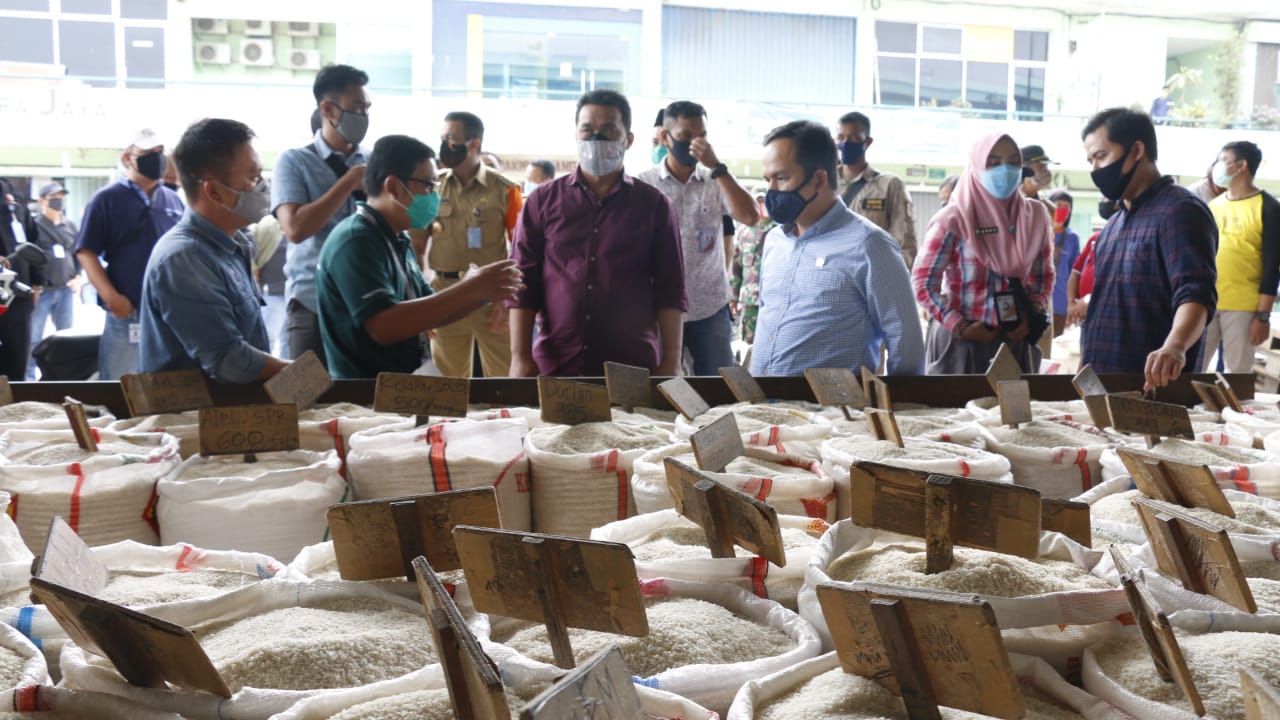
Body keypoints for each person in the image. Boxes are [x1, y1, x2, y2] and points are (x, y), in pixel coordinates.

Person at [508, 89, 686, 377]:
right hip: (557, 362)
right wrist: (519, 357)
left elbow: (671, 287)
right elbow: (523, 282)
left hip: (631, 363)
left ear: (628, 140)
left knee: (634, 424)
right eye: (587, 130)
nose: (596, 139)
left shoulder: (654, 205)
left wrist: (672, 361)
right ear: (576, 136)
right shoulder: (542, 201)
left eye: (608, 130)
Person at [316, 135, 522, 379]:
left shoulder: (395, 238)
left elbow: (432, 313)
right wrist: (470, 288)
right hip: (367, 394)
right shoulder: (356, 241)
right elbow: (385, 326)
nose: (434, 196)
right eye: (428, 186)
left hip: (402, 383)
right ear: (393, 187)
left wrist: (483, 292)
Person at [750, 120, 923, 376]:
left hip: (832, 413)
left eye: (782, 178)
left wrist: (900, 406)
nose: (771, 192)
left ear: (818, 180)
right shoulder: (775, 240)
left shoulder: (870, 245)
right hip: (762, 405)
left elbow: (906, 346)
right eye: (768, 180)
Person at [139, 118, 285, 383]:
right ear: (215, 192)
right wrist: (304, 373)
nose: (263, 187)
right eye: (252, 178)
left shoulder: (235, 244)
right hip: (192, 420)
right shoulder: (184, 259)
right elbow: (230, 362)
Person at [1080, 107, 1217, 389]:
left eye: (1101, 156)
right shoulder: (1113, 225)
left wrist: (1175, 346)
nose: (1095, 170)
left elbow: (1196, 293)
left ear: (1137, 150)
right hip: (1101, 381)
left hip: (1153, 388)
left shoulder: (1180, 211)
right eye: (1091, 160)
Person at [912, 133, 1053, 374]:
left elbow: (1043, 278)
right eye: (994, 163)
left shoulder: (1035, 216)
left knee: (1012, 411)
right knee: (955, 411)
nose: (1004, 170)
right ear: (976, 167)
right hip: (960, 341)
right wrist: (960, 325)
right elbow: (923, 283)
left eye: (1012, 162)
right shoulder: (953, 219)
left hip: (1014, 340)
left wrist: (1033, 313)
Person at [638, 100, 758, 376]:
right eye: (686, 136)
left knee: (719, 388)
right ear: (665, 138)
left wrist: (718, 167)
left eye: (701, 135)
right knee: (659, 387)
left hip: (709, 307)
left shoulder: (716, 181)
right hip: (657, 309)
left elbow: (750, 216)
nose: (695, 143)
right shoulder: (644, 184)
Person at [272, 64, 372, 365]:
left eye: (367, 108)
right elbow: (295, 228)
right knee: (306, 398)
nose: (364, 116)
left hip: (366, 303)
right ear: (328, 109)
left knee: (365, 400)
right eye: (357, 108)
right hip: (311, 304)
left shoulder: (374, 161)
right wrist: (348, 183)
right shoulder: (294, 162)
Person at [75, 128, 184, 380]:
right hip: (128, 310)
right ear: (128, 158)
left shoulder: (173, 201)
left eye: (160, 153)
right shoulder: (106, 199)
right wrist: (111, 297)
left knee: (167, 382)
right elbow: (86, 251)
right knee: (119, 383)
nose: (156, 158)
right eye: (148, 153)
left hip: (168, 310)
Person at [427, 111, 523, 378]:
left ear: (474, 144)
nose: (445, 144)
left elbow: (522, 249)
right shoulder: (431, 187)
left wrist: (510, 300)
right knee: (448, 385)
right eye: (443, 138)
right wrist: (421, 301)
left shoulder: (506, 189)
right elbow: (416, 245)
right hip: (444, 294)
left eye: (451, 138)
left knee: (505, 381)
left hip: (492, 296)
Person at [1202, 141, 1280, 373]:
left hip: (1244, 307)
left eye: (1223, 160)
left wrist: (1263, 317)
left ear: (1241, 166)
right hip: (1207, 302)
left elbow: (1272, 267)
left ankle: (1233, 412)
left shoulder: (1268, 208)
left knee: (1236, 375)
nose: (1217, 167)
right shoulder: (1213, 206)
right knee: (1191, 369)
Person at [835, 111, 917, 267]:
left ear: (867, 142)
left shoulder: (889, 185)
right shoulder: (824, 184)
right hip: (831, 272)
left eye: (854, 138)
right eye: (841, 138)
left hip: (872, 274)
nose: (846, 143)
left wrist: (903, 281)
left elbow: (904, 240)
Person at [28, 182, 82, 379]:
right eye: (53, 198)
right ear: (42, 201)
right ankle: (28, 378)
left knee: (66, 336)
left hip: (66, 289)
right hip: (42, 290)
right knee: (33, 337)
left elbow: (78, 253)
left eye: (61, 197)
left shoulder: (70, 225)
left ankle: (64, 377)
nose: (58, 201)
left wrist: (78, 277)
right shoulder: (34, 225)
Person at [0, 180, 43, 381]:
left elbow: (32, 240)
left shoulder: (10, 190)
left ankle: (11, 411)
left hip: (16, 293)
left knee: (16, 362)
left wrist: (36, 283)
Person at [1065, 198, 1120, 333]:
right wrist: (1072, 303)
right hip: (1084, 318)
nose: (1104, 201)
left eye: (1107, 198)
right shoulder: (1095, 238)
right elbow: (1076, 272)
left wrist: (1091, 300)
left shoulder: (1125, 240)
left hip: (1108, 317)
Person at [730, 192, 773, 345]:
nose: (762, 207)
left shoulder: (780, 229)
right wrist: (733, 297)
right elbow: (736, 266)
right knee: (750, 343)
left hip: (772, 298)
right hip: (749, 298)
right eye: (758, 202)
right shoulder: (743, 232)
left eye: (764, 202)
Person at [1048, 190, 1080, 337]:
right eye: (1058, 204)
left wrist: (1072, 304)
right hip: (1040, 303)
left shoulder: (1072, 237)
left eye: (1067, 206)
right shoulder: (1040, 230)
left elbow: (1075, 272)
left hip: (1061, 305)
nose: (1062, 209)